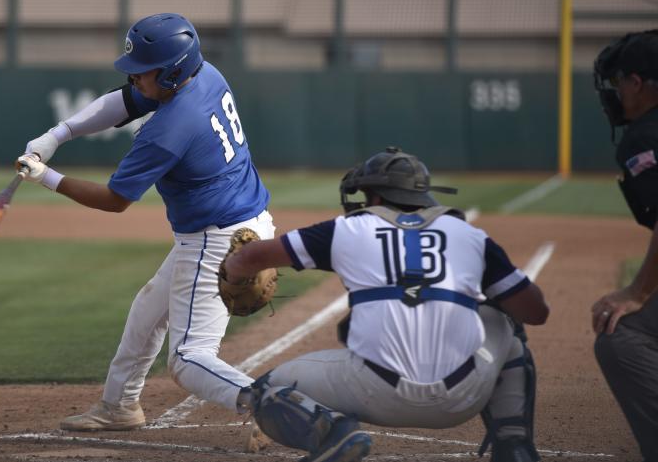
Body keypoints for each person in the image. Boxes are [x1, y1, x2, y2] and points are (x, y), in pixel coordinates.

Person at [16, 13, 275, 430]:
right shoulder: (204, 74)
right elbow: (123, 100)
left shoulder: (170, 129)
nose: (135, 78)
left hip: (217, 238)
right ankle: (119, 406)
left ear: (172, 73)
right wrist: (58, 134)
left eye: (142, 72)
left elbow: (115, 200)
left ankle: (276, 405)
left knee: (190, 358)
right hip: (243, 221)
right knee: (148, 312)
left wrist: (46, 177)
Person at [221, 147, 549, 462]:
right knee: (504, 320)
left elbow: (251, 256)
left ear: (376, 197)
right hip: (462, 397)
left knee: (268, 390)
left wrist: (234, 276)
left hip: (375, 392)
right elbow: (535, 311)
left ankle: (333, 435)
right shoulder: (469, 235)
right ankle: (514, 446)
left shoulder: (347, 229)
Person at [590, 29, 658, 462]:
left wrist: (637, 292)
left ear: (636, 83)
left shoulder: (646, 136)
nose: (616, 93)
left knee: (621, 334)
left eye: (618, 82)